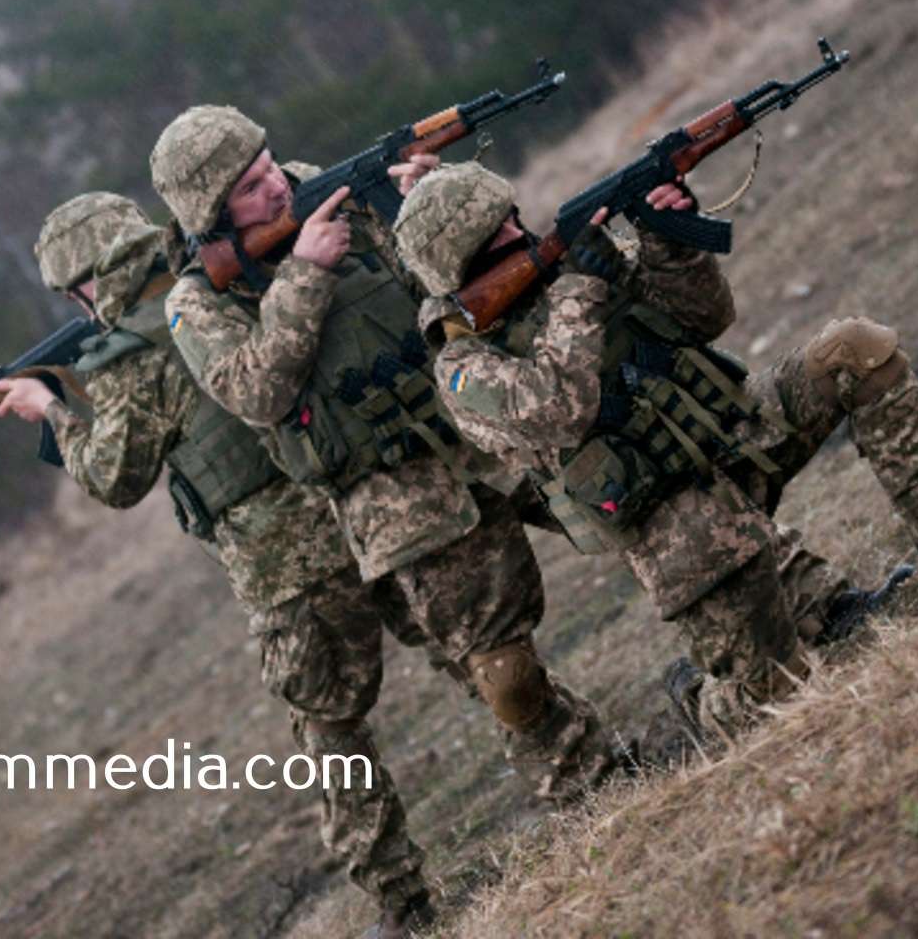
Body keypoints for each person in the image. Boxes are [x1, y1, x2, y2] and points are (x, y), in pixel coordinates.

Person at [394, 162, 918, 747]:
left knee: (854, 349)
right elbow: (556, 407)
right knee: (781, 693)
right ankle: (705, 703)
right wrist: (580, 291)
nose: (520, 228)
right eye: (500, 229)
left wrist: (670, 242)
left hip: (736, 434)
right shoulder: (463, 366)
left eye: (512, 214)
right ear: (469, 259)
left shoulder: (573, 269)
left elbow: (704, 317)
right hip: (675, 526)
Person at [150, 109, 621, 879]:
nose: (275, 184)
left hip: (481, 418)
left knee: (647, 509)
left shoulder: (329, 194)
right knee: (498, 666)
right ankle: (594, 789)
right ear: (209, 214)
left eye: (269, 163)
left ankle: (785, 617)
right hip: (393, 494)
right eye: (248, 186)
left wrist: (423, 207)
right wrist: (303, 274)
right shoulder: (196, 299)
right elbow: (253, 392)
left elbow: (429, 278)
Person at [0, 192, 462, 935]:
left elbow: (116, 478)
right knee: (458, 639)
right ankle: (568, 749)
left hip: (283, 568)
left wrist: (49, 412)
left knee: (331, 735)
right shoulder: (216, 284)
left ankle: (405, 903)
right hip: (353, 496)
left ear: (86, 281)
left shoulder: (124, 362)